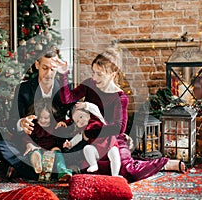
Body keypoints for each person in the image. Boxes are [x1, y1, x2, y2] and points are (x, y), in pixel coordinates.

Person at [55, 47, 187, 183]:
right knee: (77, 161)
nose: (94, 78)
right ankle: (130, 159)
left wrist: (90, 133)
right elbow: (67, 98)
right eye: (93, 72)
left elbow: (119, 128)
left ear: (112, 74)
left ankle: (163, 163)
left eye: (99, 74)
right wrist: (63, 74)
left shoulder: (120, 97)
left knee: (127, 171)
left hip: (113, 139)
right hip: (92, 140)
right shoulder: (90, 84)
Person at [0, 47, 73, 180]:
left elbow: (76, 114)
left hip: (57, 146)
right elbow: (13, 122)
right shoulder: (24, 89)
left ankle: (25, 170)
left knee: (78, 151)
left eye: (52, 69)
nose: (48, 73)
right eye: (45, 68)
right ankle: (46, 170)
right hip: (29, 145)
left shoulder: (64, 88)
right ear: (37, 65)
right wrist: (21, 124)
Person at [63, 101, 121, 176]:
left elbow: (95, 108)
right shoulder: (84, 130)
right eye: (77, 121)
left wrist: (86, 105)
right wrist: (70, 144)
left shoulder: (98, 119)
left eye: (81, 117)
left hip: (110, 146)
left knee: (115, 155)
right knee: (87, 148)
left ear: (88, 113)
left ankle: (115, 174)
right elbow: (78, 138)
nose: (80, 121)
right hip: (98, 150)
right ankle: (93, 164)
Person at [23, 98, 72, 182]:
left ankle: (63, 172)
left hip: (52, 150)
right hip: (38, 148)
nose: (42, 120)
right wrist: (30, 145)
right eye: (40, 118)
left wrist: (63, 127)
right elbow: (26, 136)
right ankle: (37, 165)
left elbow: (62, 136)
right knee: (34, 151)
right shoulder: (34, 125)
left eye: (46, 118)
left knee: (57, 153)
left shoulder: (56, 125)